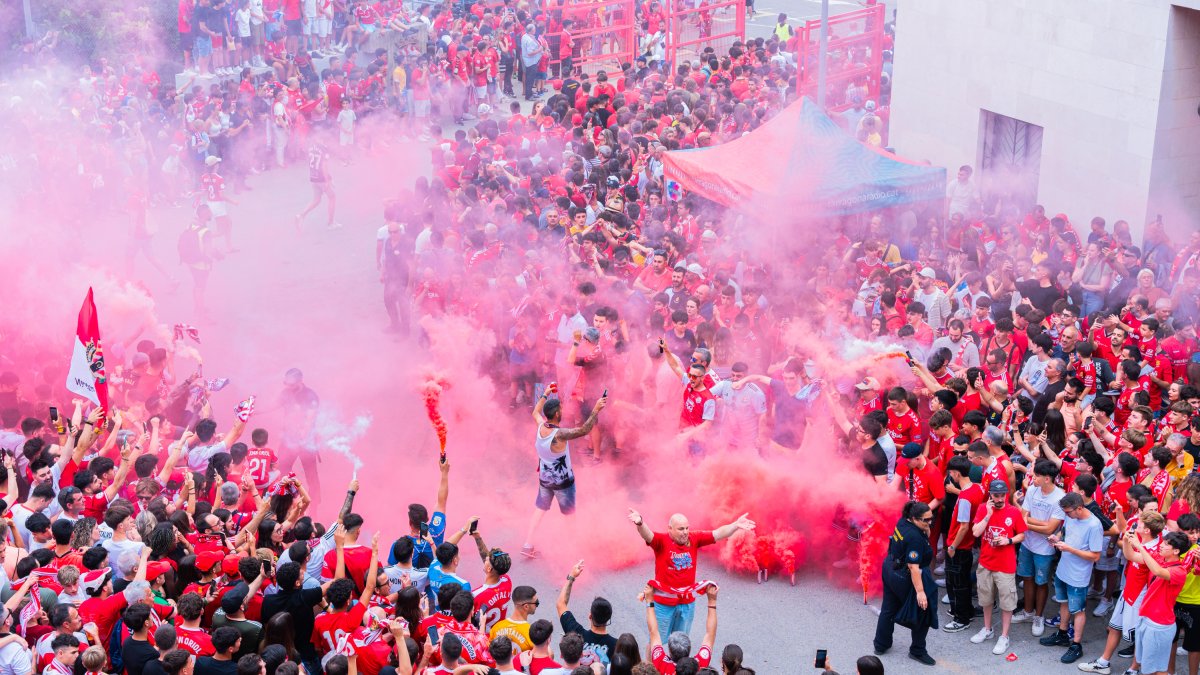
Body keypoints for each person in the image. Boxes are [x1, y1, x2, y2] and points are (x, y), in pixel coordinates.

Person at [628, 509, 754, 639]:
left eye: (687, 528)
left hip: (686, 604)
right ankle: (650, 661)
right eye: (681, 529)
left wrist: (735, 525)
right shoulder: (661, 541)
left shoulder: (694, 538)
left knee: (681, 642)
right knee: (655, 640)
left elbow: (718, 534)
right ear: (670, 529)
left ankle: (679, 661)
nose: (685, 532)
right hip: (663, 604)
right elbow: (647, 535)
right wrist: (640, 523)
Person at [522, 386, 607, 558]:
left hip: (545, 480)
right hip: (563, 483)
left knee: (540, 509)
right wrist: (596, 409)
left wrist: (545, 393)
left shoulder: (540, 426)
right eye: (560, 409)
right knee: (569, 515)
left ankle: (527, 544)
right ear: (556, 415)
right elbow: (584, 430)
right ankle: (573, 550)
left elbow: (535, 412)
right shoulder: (559, 434)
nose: (563, 410)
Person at [1039, 492, 1104, 664]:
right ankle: (1062, 634)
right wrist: (1057, 537)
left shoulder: (1094, 525)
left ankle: (1076, 645)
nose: (1066, 515)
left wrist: (1070, 549)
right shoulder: (1071, 517)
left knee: (1078, 610)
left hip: (1078, 575)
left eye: (1068, 512)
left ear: (1080, 508)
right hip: (1063, 569)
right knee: (1063, 603)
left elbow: (1096, 556)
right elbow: (1065, 531)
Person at [873, 500, 937, 666]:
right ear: (914, 518)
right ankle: (917, 650)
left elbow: (926, 534)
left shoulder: (903, 521)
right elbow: (914, 567)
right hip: (905, 575)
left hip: (890, 567)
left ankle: (881, 644)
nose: (930, 523)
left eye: (931, 518)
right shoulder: (915, 538)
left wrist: (926, 526)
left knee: (888, 607)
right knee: (923, 612)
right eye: (926, 520)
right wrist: (921, 592)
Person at [968, 480, 1026, 656]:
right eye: (996, 495)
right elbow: (976, 532)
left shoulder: (1014, 512)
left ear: (1006, 494)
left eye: (1002, 495)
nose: (999, 499)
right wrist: (987, 514)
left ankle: (1004, 636)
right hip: (985, 563)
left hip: (1005, 565)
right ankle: (987, 629)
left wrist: (1008, 540)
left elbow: (1022, 535)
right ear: (990, 495)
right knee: (985, 599)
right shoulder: (982, 508)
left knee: (1007, 603)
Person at [555, 560, 616, 666]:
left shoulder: (576, 634)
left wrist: (571, 577)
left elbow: (561, 603)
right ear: (608, 619)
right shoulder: (617, 645)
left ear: (590, 616)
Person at [276, 368, 321, 500]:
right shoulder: (285, 393)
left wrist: (303, 435)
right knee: (282, 470)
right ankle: (284, 501)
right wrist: (254, 410)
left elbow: (310, 417)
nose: (289, 387)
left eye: (292, 384)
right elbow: (273, 405)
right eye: (287, 384)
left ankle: (314, 504)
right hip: (288, 440)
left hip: (306, 442)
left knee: (311, 474)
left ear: (300, 381)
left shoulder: (310, 395)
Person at [295, 142, 339, 230]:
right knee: (332, 197)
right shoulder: (324, 148)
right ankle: (330, 223)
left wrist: (329, 177)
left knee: (317, 200)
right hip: (321, 178)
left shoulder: (311, 146)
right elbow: (324, 166)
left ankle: (301, 216)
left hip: (313, 177)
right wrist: (327, 180)